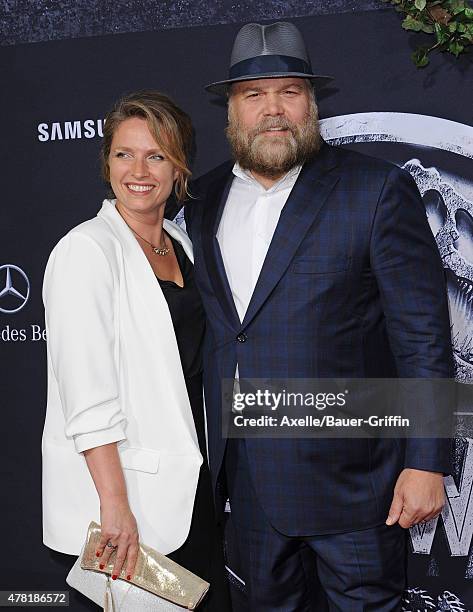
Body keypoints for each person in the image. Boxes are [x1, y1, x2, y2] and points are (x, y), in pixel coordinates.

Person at [183, 22, 454, 611]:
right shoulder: (202, 202)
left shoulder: (375, 190)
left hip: (358, 487)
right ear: (231, 110)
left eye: (289, 92)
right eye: (254, 95)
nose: (273, 110)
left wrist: (428, 462)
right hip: (249, 486)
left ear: (312, 101)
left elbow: (423, 336)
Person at [42, 90, 230, 611]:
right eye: (124, 153)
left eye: (157, 155)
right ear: (106, 164)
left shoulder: (181, 243)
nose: (139, 169)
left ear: (179, 168)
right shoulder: (87, 250)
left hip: (190, 490)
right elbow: (86, 395)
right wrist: (114, 507)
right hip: (130, 502)